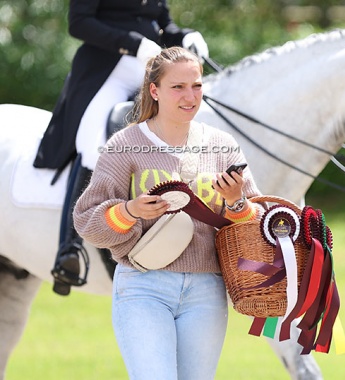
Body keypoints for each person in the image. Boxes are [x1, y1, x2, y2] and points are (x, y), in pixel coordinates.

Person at [72, 46, 263, 380]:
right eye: (178, 87)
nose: (190, 96)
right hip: (143, 286)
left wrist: (236, 201)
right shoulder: (125, 145)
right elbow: (86, 219)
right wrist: (129, 211)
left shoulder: (222, 145)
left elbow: (256, 224)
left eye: (197, 86)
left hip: (207, 290)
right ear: (155, 91)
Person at [32, 0, 210, 295]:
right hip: (107, 69)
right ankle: (71, 248)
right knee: (93, 144)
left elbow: (163, 24)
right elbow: (79, 23)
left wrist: (185, 36)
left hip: (153, 72)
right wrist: (132, 43)